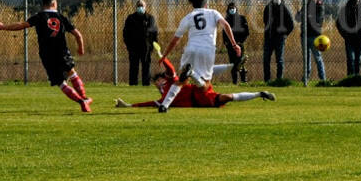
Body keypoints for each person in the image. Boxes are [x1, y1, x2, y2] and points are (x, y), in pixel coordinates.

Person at [0, 0, 93, 112]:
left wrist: (3, 27)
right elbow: (77, 34)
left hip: (46, 54)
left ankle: (81, 101)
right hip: (61, 51)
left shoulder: (39, 16)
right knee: (72, 73)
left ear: (43, 5)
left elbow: (21, 25)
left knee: (61, 83)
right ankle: (84, 97)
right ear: (53, 3)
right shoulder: (61, 17)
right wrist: (81, 48)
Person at [157, 0, 241, 112]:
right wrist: (234, 44)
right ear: (206, 4)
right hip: (208, 50)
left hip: (191, 49)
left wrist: (164, 55)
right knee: (205, 81)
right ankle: (194, 73)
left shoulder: (188, 17)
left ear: (193, 4)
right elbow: (226, 25)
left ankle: (164, 105)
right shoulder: (213, 13)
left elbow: (175, 40)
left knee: (181, 80)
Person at [114, 56, 275, 109]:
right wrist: (129, 106)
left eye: (158, 79)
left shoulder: (173, 81)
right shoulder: (164, 97)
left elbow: (170, 69)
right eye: (156, 81)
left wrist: (164, 58)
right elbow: (148, 104)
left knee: (228, 96)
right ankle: (233, 66)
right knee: (209, 80)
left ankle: (259, 93)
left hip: (200, 94)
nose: (157, 82)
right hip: (198, 97)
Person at [122, 0, 158, 86]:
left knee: (146, 66)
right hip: (133, 47)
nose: (140, 7)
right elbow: (125, 33)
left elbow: (154, 32)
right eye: (138, 6)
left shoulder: (150, 18)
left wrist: (153, 45)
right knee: (134, 66)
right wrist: (128, 45)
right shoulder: (130, 18)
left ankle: (146, 84)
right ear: (136, 7)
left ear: (145, 7)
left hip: (146, 46)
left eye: (142, 6)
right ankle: (133, 84)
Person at [262, 0, 294, 83]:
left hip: (279, 38)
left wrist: (284, 35)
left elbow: (291, 24)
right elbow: (265, 20)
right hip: (269, 37)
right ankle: (267, 80)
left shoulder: (285, 8)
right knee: (266, 59)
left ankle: (279, 79)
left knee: (279, 60)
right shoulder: (268, 7)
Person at [296, 0, 326, 81]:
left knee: (317, 57)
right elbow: (298, 19)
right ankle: (306, 78)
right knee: (306, 59)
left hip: (315, 36)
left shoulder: (319, 6)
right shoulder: (305, 6)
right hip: (304, 35)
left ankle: (323, 79)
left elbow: (318, 20)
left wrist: (307, 16)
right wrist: (299, 14)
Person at [222, 2, 249, 84]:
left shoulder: (242, 18)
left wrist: (241, 41)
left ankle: (244, 80)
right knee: (232, 62)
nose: (232, 9)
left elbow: (246, 32)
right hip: (230, 45)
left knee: (241, 61)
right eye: (230, 8)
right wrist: (226, 42)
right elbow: (224, 33)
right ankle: (235, 81)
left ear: (236, 9)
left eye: (233, 8)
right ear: (228, 10)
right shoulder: (226, 20)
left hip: (240, 44)